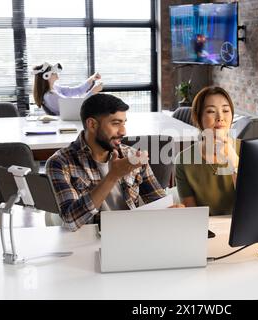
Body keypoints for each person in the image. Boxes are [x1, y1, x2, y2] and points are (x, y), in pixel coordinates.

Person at [46, 93, 182, 231]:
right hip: (87, 241)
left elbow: (157, 201)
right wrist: (113, 176)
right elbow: (71, 221)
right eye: (116, 123)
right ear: (92, 124)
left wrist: (171, 210)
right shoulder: (60, 163)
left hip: (131, 236)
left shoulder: (133, 156)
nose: (123, 131)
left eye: (124, 123)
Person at [175, 86, 239, 215]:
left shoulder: (249, 151)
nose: (220, 117)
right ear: (198, 118)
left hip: (241, 226)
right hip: (206, 230)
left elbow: (253, 206)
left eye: (226, 110)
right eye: (211, 111)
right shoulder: (184, 160)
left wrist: (234, 163)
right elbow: (192, 215)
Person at [32, 62, 103, 115]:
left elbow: (77, 90)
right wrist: (93, 91)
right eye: (53, 72)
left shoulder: (54, 88)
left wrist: (91, 78)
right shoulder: (50, 96)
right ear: (46, 76)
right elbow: (78, 107)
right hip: (68, 123)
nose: (56, 73)